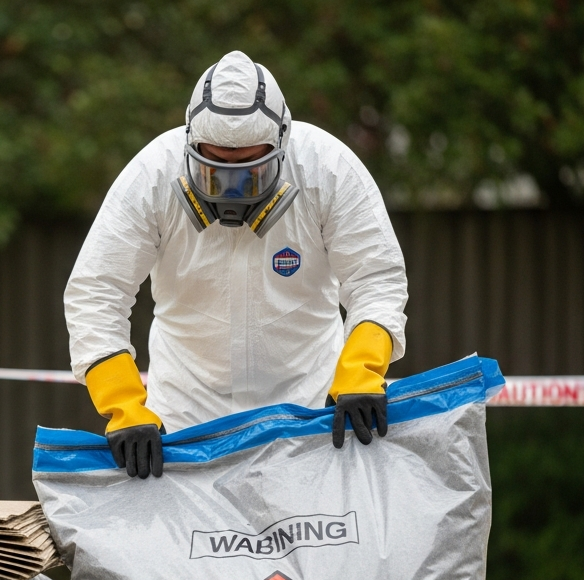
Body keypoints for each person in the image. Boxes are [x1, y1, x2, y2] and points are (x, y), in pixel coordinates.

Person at [66, 50, 408, 479]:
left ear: (282, 145)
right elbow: (97, 293)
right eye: (215, 172)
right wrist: (124, 406)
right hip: (185, 428)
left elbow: (375, 277)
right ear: (190, 146)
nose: (232, 191)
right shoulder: (152, 176)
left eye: (251, 173)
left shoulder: (328, 168)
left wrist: (361, 371)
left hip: (312, 417)